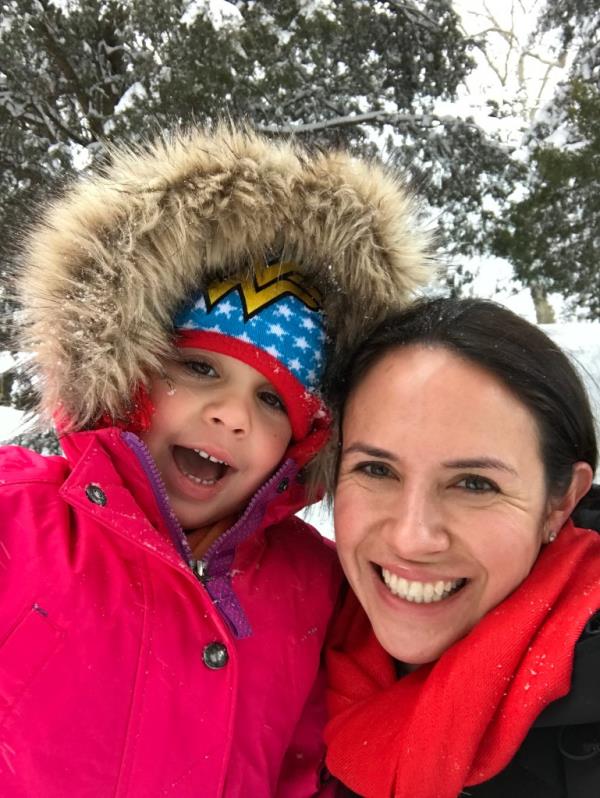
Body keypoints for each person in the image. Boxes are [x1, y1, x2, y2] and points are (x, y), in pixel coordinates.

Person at [0, 125, 429, 796]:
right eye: (199, 369)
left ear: (307, 440)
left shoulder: (319, 585)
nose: (231, 416)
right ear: (131, 373)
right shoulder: (18, 518)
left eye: (271, 400)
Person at [324, 297, 600, 798]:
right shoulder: (295, 640)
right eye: (377, 469)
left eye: (474, 484)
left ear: (559, 503)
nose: (411, 538)